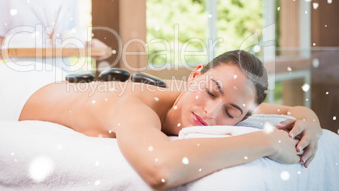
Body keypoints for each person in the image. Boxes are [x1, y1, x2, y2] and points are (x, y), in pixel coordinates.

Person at [19, 50, 322, 189]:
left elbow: (291, 111)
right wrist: (266, 141)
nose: (211, 113)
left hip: (80, 88)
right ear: (195, 75)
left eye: (231, 113)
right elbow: (160, 170)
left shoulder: (220, 98)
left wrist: (311, 120)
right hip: (23, 91)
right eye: (210, 92)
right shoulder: (135, 106)